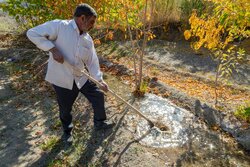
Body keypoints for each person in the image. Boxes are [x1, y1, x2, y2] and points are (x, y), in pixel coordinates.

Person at [26, 3, 114, 143]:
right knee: (65, 109)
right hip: (62, 78)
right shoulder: (60, 26)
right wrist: (53, 49)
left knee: (98, 95)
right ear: (82, 18)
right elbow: (32, 33)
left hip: (81, 76)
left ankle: (99, 122)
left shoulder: (87, 39)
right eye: (91, 22)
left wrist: (100, 80)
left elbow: (92, 61)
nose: (92, 26)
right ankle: (67, 132)